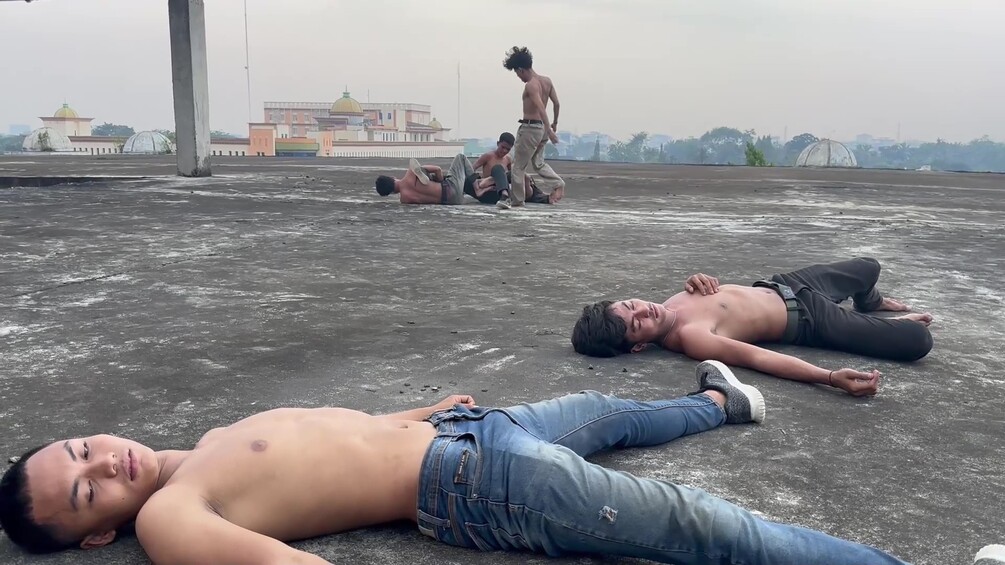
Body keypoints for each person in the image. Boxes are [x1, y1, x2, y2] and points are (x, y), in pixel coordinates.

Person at [5, 361, 987, 564]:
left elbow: (326, 429)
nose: (105, 465)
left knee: (604, 410)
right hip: (468, 484)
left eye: (83, 448)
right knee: (698, 524)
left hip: (464, 434)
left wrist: (419, 408)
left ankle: (721, 401)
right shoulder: (171, 513)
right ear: (94, 533)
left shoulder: (203, 445)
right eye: (85, 491)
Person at [571, 257, 935, 397]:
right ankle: (874, 322)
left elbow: (722, 298)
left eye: (632, 305)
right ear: (638, 346)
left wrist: (701, 277)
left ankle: (871, 304)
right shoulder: (690, 337)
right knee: (917, 340)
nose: (644, 311)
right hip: (810, 320)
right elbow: (759, 358)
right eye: (637, 325)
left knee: (869, 267)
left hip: (787, 284)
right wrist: (828, 377)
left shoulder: (670, 302)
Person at [499, 46, 565, 209]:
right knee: (538, 162)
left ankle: (517, 201)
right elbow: (556, 103)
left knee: (518, 166)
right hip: (542, 130)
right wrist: (554, 124)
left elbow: (541, 108)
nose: (518, 77)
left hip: (530, 129)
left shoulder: (531, 85)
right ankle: (558, 183)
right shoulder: (547, 81)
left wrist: (550, 130)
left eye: (517, 73)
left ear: (521, 70)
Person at [464, 133, 550, 205]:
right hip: (489, 190)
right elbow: (472, 169)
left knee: (523, 176)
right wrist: (477, 184)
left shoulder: (508, 159)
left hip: (500, 189)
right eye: (503, 147)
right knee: (498, 168)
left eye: (508, 149)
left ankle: (544, 197)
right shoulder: (488, 156)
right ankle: (499, 189)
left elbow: (512, 175)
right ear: (498, 144)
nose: (504, 151)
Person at [374, 154, 473, 205]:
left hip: (450, 201)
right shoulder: (410, 173)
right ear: (392, 178)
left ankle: (474, 189)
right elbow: (438, 169)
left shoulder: (405, 199)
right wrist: (439, 180)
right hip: (450, 188)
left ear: (391, 193)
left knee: (462, 184)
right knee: (461, 157)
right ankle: (475, 182)